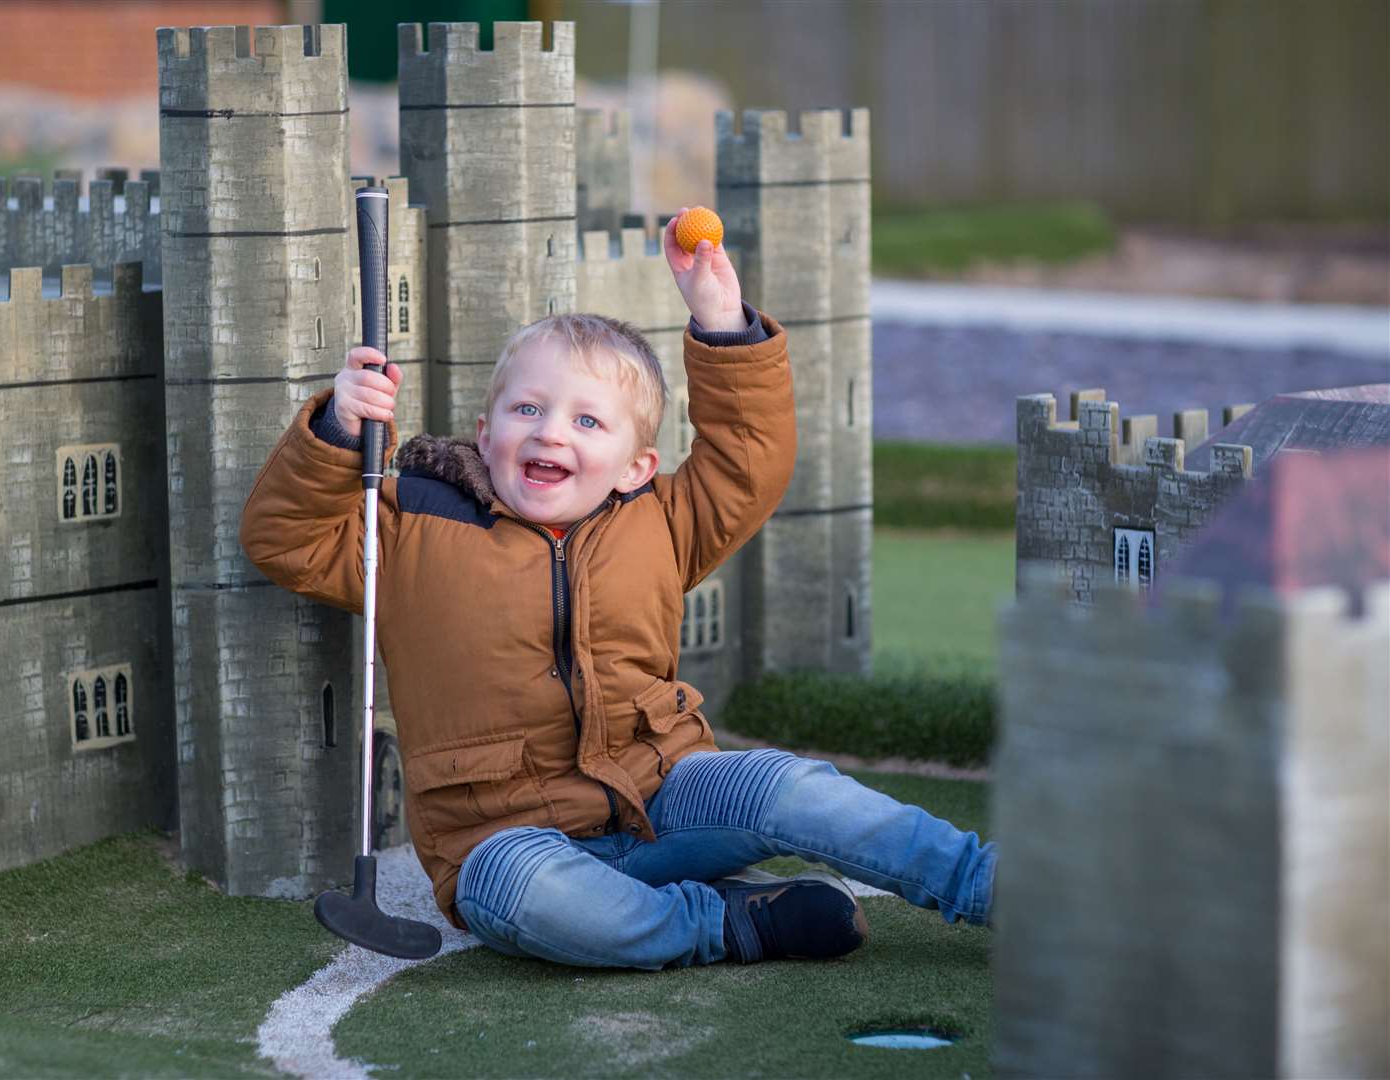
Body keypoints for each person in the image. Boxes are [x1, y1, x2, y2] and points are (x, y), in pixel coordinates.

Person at [239, 213, 996, 969]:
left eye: (588, 420)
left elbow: (747, 463)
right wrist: (339, 431)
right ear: (485, 428)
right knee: (515, 891)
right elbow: (287, 542)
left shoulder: (661, 519)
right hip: (507, 842)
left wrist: (723, 323)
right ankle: (724, 921)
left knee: (786, 784)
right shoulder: (411, 523)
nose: (550, 433)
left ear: (636, 465)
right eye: (527, 410)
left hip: (663, 800)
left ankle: (985, 881)